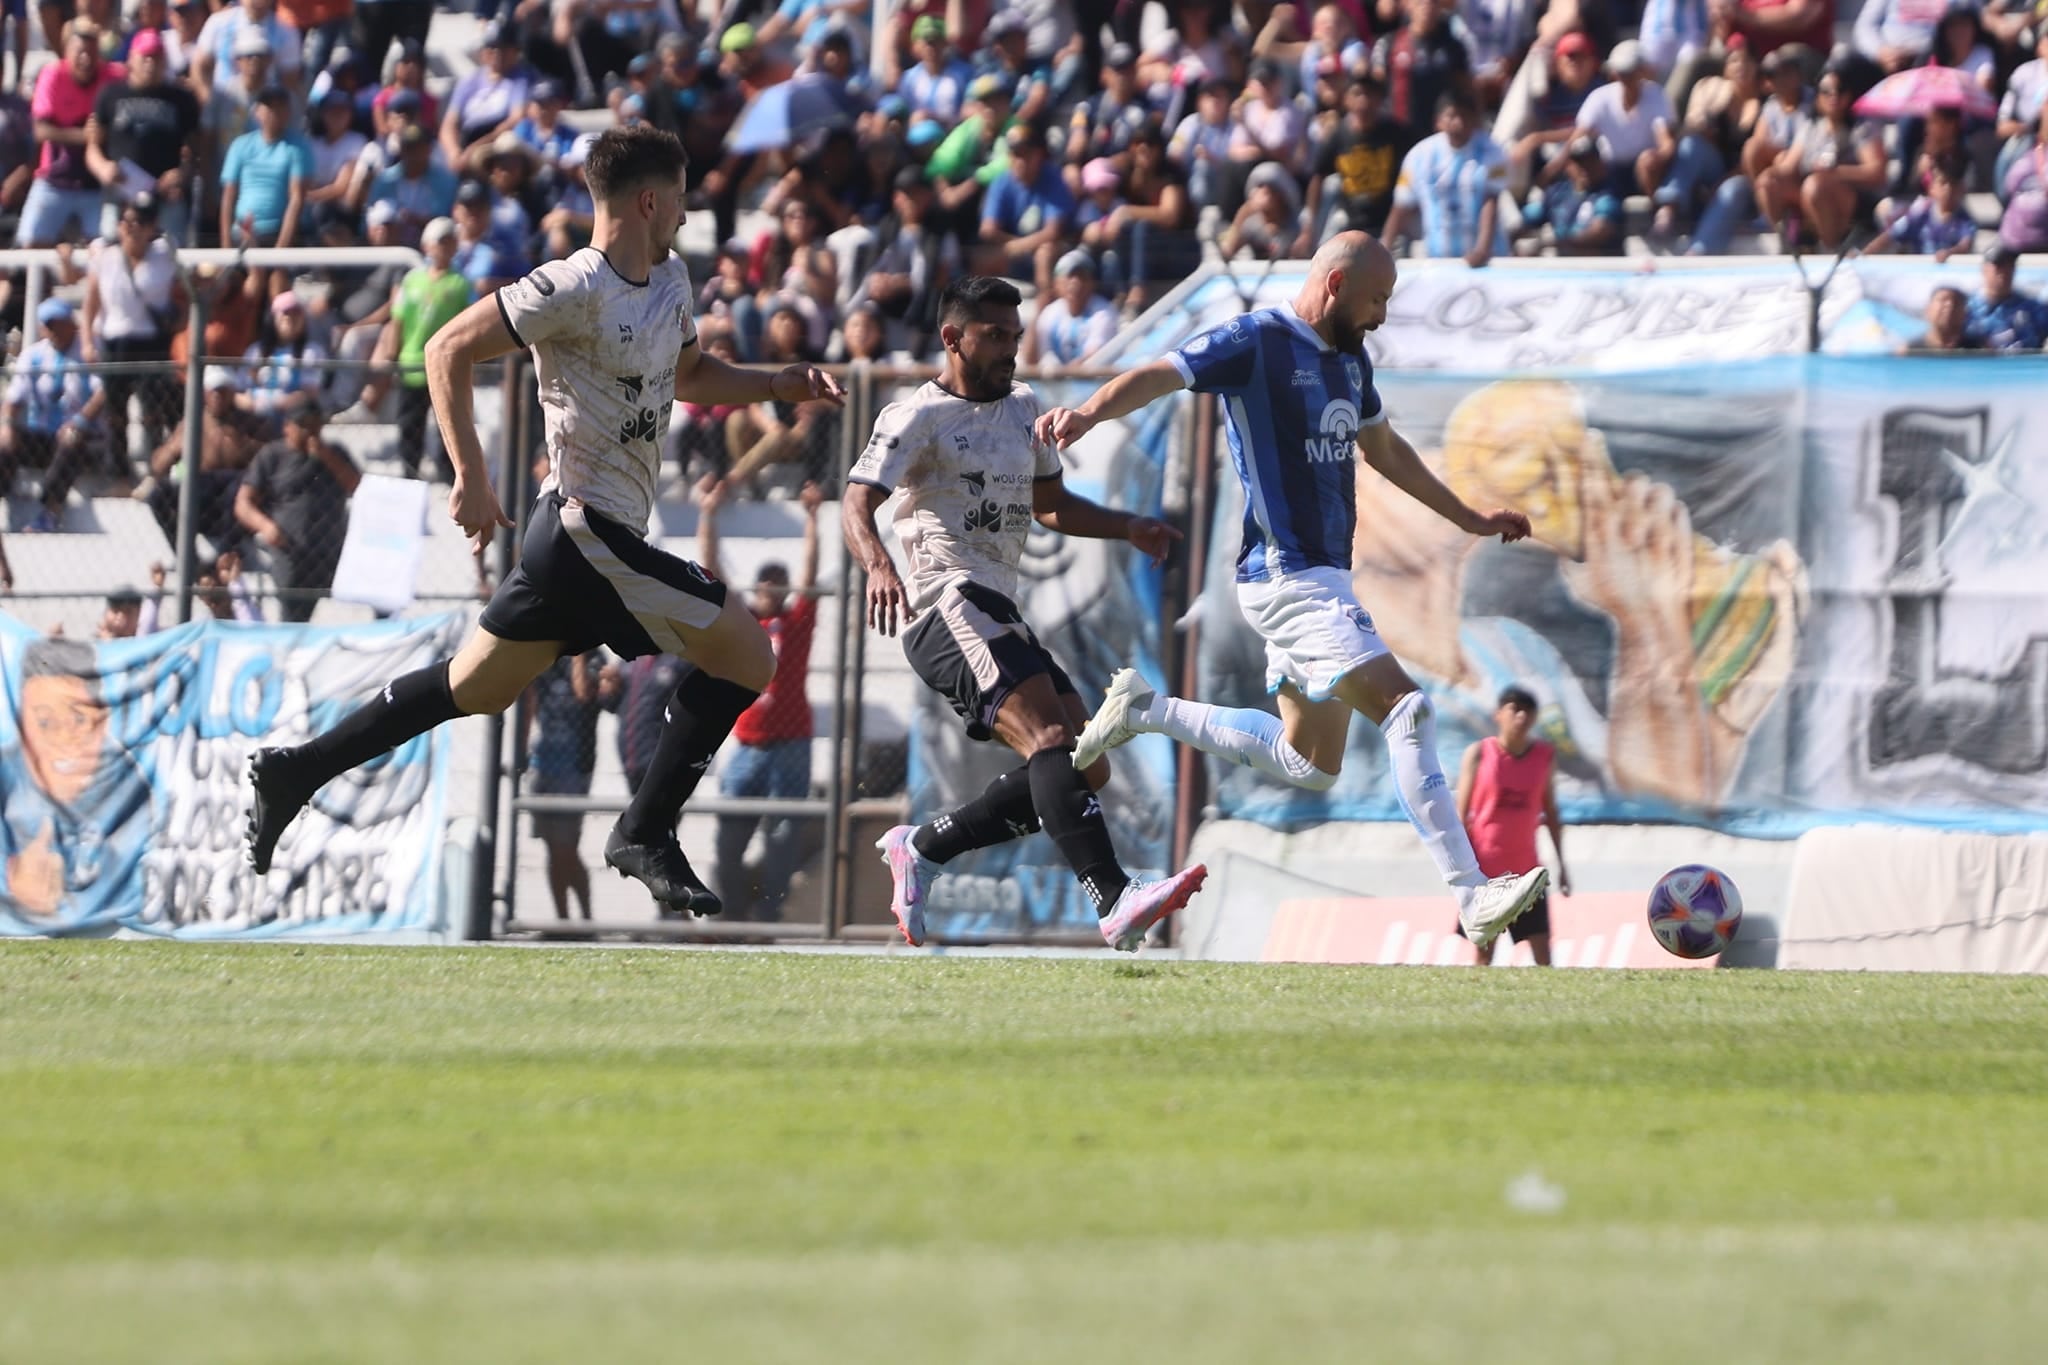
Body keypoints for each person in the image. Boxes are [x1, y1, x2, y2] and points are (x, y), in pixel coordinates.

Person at [245, 126, 846, 922]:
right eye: (683, 193)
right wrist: (469, 476)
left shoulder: (672, 280)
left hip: (597, 543)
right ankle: (646, 828)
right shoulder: (572, 285)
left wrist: (777, 382)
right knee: (747, 651)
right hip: (581, 533)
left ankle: (296, 769)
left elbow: (692, 372)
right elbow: (447, 348)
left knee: (474, 687)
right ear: (649, 200)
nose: (689, 208)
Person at [1037, 233, 1549, 951]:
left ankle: (1145, 709)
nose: (1382, 315)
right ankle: (1471, 892)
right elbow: (1164, 372)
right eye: (1377, 299)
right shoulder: (1257, 340)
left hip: (1317, 577)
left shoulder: (1350, 359)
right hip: (1290, 575)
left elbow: (1386, 449)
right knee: (1408, 709)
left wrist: (1468, 516)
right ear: (1336, 284)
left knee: (1308, 762)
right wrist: (1089, 413)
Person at [843, 274, 1208, 952]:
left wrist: (1128, 524)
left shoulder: (1023, 408)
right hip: (943, 605)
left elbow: (1052, 506)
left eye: (1016, 334)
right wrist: (878, 564)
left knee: (1086, 762)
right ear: (953, 338)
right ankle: (1113, 895)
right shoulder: (914, 417)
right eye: (996, 336)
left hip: (994, 606)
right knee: (1049, 740)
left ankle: (922, 845)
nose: (1012, 348)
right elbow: (856, 500)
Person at [699, 477, 822, 923]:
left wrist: (811, 520)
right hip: (749, 744)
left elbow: (809, 577)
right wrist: (708, 513)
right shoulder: (744, 622)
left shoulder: (795, 623)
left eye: (779, 582)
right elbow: (710, 570)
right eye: (765, 581)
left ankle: (769, 916)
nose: (771, 587)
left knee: (783, 839)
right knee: (729, 836)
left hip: (790, 743)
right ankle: (728, 912)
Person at [1455, 685, 1570, 966]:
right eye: (1515, 709)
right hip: (1486, 874)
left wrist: (1562, 865)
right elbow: (1460, 816)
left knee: (1542, 950)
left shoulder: (1543, 756)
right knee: (1484, 951)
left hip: (1527, 873)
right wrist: (1460, 872)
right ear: (1499, 714)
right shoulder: (1480, 754)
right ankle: (1475, 1006)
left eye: (1528, 711)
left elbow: (1550, 812)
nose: (1521, 717)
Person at [80, 192, 184, 486]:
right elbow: (91, 304)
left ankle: (154, 472)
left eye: (139, 222)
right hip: (115, 341)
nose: (131, 227)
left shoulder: (164, 255)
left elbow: (181, 294)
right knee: (115, 413)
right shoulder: (105, 257)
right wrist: (88, 341)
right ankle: (119, 475)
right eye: (126, 221)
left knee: (152, 410)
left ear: (151, 227)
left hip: (150, 341)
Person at [234, 392, 358, 622]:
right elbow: (244, 503)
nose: (310, 431)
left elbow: (356, 487)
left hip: (331, 550)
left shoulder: (335, 453)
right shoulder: (273, 455)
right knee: (292, 615)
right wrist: (265, 526)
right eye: (303, 424)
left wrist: (324, 455)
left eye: (315, 424)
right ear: (287, 426)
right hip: (289, 551)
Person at [84, 28, 198, 243]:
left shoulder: (181, 99)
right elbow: (93, 147)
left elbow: (195, 151)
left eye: (156, 57)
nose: (150, 63)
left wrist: (182, 174)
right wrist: (103, 168)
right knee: (112, 254)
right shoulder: (110, 95)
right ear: (131, 59)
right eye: (145, 57)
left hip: (165, 196)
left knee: (170, 253)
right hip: (121, 195)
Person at [522, 647, 611, 921]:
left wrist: (578, 652)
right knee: (551, 849)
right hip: (544, 761)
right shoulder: (547, 655)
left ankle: (585, 919)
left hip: (575, 766)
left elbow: (583, 693)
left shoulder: (594, 656)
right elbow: (530, 701)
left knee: (566, 848)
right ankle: (562, 920)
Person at [0, 298, 104, 533]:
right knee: (4, 445)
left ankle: (48, 511)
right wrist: (6, 426)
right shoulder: (34, 355)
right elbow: (14, 398)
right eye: (49, 325)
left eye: (59, 324)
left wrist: (79, 421)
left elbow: (102, 393)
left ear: (71, 324)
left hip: (80, 437)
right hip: (41, 436)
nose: (54, 331)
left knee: (72, 440)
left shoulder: (88, 352)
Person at [1382, 89, 1508, 264]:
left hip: (1484, 259)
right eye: (1452, 116)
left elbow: (1491, 202)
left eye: (1464, 116)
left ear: (1475, 120)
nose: (1458, 123)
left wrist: (1482, 250)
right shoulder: (1419, 155)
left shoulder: (1492, 151)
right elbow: (1402, 206)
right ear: (1439, 121)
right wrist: (1384, 248)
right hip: (1437, 259)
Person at [19, 22, 116, 247]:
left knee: (105, 247)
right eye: (80, 51)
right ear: (66, 51)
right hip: (55, 181)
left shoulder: (112, 76)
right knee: (29, 243)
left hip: (96, 185)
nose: (86, 58)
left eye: (92, 52)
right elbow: (40, 130)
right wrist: (86, 136)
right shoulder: (52, 75)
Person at [218, 84, 311, 248]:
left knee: (265, 273)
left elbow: (297, 198)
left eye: (281, 107)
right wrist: (226, 247)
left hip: (278, 232)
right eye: (269, 107)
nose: (275, 113)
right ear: (257, 112)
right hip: (243, 231)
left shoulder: (298, 147)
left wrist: (280, 250)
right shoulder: (240, 145)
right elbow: (228, 197)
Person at [1023, 249, 1116, 371]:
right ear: (1056, 283)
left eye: (1082, 277)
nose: (1076, 282)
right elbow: (1030, 360)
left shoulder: (1104, 312)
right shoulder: (1050, 313)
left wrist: (1063, 374)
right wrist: (1039, 309)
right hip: (1059, 384)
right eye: (1070, 276)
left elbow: (1094, 358)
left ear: (1092, 283)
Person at [1967, 241, 2047, 350]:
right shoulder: (1967, 310)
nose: (2004, 272)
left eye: (2009, 265)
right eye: (1999, 266)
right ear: (1984, 270)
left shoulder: (2033, 309)